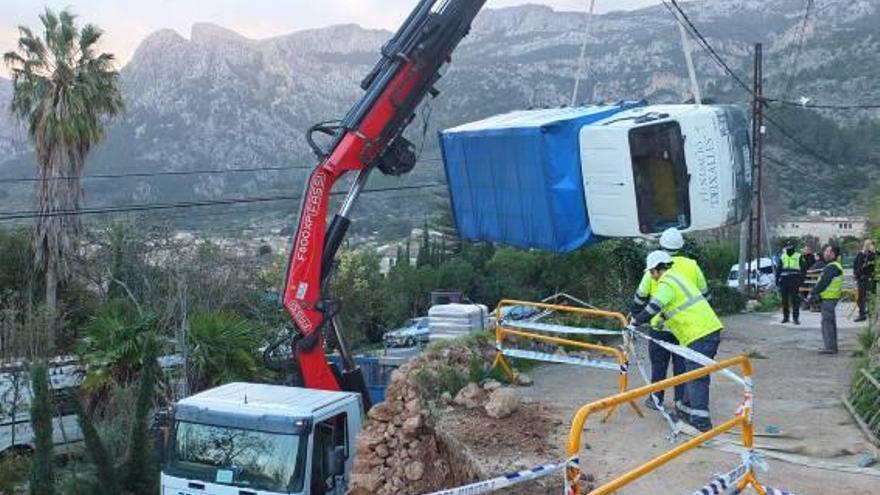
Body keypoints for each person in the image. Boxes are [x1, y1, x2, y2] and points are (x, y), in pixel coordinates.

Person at [630, 250, 723, 432]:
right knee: (690, 373)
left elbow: (653, 307)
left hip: (700, 334)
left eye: (651, 272)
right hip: (703, 332)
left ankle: (701, 422)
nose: (651, 276)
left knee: (697, 378)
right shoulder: (678, 279)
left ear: (657, 270)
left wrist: (635, 321)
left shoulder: (667, 283)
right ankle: (686, 411)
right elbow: (666, 311)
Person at [631, 228, 708, 416]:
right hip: (684, 328)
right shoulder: (692, 265)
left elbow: (640, 297)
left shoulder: (655, 266)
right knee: (682, 365)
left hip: (659, 326)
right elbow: (705, 296)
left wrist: (634, 317)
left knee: (658, 364)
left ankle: (656, 398)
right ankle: (680, 401)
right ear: (681, 246)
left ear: (661, 245)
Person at [808, 245, 844, 354]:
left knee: (827, 323)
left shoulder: (832, 266)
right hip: (831, 297)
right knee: (830, 322)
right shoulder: (834, 266)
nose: (824, 253)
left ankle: (830, 348)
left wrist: (813, 293)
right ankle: (831, 346)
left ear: (832, 254)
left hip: (829, 297)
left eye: (827, 251)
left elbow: (824, 282)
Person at [777, 240, 805, 324]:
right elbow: (779, 269)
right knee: (784, 300)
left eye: (790, 246)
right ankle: (786, 317)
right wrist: (777, 279)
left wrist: (801, 280)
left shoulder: (799, 256)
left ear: (793, 247)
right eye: (787, 246)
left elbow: (803, 269)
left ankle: (795, 318)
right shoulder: (783, 256)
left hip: (794, 280)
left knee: (795, 300)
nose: (789, 248)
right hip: (784, 280)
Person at [853, 239, 876, 322]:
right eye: (866, 244)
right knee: (860, 298)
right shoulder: (860, 254)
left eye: (869, 245)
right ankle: (862, 314)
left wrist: (872, 252)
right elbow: (855, 265)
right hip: (861, 279)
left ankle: (870, 314)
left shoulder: (872, 255)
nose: (867, 246)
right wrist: (855, 275)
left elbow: (872, 265)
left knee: (869, 297)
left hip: (869, 279)